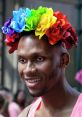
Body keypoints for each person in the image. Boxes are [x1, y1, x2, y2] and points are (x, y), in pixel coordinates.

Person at [2, 6, 82, 117]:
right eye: (22, 60)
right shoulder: (25, 114)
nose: (28, 70)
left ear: (64, 60)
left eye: (39, 59)